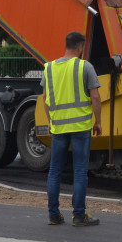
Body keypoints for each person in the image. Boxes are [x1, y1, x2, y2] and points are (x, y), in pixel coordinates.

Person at [44, 31, 103, 227]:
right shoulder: (84, 66)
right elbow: (95, 97)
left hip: (58, 127)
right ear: (80, 47)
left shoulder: (50, 68)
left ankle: (54, 215)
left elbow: (46, 100)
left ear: (66, 45)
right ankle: (78, 216)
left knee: (54, 171)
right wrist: (98, 121)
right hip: (80, 127)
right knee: (79, 171)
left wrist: (51, 122)